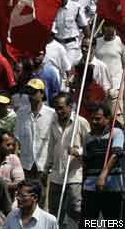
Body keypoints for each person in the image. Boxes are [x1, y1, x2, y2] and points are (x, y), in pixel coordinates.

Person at [46, 92, 88, 228]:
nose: (59, 111)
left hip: (74, 176)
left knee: (77, 210)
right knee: (55, 212)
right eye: (57, 108)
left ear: (70, 107)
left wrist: (78, 152)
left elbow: (91, 147)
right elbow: (51, 148)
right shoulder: (53, 123)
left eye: (62, 108)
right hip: (56, 176)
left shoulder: (80, 123)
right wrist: (47, 168)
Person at [14, 78, 56, 205]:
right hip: (26, 164)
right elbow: (17, 138)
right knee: (27, 199)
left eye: (34, 92)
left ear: (42, 94)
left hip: (43, 165)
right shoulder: (21, 113)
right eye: (29, 92)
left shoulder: (52, 114)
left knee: (44, 200)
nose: (31, 95)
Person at [81, 102, 124, 220]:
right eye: (92, 119)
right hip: (90, 188)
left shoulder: (116, 133)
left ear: (108, 119)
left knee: (113, 223)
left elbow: (116, 154)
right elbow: (86, 161)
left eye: (98, 119)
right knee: (88, 223)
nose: (94, 122)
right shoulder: (87, 137)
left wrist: (103, 176)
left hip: (112, 188)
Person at [53, 0, 89, 67]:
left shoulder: (75, 7)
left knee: (67, 67)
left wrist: (87, 39)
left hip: (71, 45)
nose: (59, 0)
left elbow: (84, 26)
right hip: (57, 43)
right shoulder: (53, 8)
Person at [95, 20, 125, 102]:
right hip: (100, 85)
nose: (108, 29)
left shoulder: (121, 42)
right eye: (106, 26)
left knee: (115, 112)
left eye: (110, 26)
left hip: (115, 86)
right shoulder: (97, 42)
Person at [0, 129, 24, 200]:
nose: (11, 147)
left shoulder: (13, 159)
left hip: (8, 202)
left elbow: (20, 184)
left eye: (12, 145)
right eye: (8, 145)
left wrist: (1, 185)